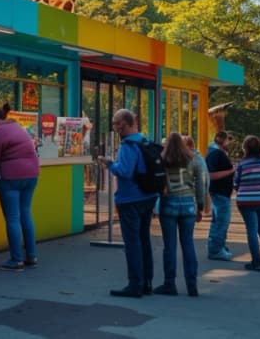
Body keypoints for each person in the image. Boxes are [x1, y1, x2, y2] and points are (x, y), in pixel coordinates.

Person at [98, 109, 158, 298]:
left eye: (117, 123)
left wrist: (109, 164)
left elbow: (124, 171)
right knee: (144, 239)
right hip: (148, 196)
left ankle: (135, 284)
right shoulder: (144, 140)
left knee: (132, 243)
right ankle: (147, 282)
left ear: (125, 123)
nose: (115, 127)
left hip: (130, 198)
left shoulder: (127, 145)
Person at [0, 102, 40, 271]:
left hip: (11, 178)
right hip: (32, 174)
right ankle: (31, 256)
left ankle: (16, 260)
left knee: (12, 218)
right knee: (25, 213)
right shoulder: (19, 128)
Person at [153, 132, 207, 296]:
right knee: (188, 244)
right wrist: (200, 206)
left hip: (169, 204)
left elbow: (157, 181)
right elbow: (200, 183)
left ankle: (170, 284)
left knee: (169, 246)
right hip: (188, 204)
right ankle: (192, 285)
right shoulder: (193, 159)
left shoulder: (162, 160)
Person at [234, 135, 260, 271]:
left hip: (246, 201)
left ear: (245, 148)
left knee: (251, 230)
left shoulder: (242, 164)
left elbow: (236, 183)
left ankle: (256, 261)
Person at [205, 130, 236, 261]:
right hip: (220, 192)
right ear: (222, 139)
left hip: (219, 192)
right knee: (222, 221)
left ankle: (218, 246)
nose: (228, 143)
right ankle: (216, 249)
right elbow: (211, 175)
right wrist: (231, 171)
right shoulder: (216, 154)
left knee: (218, 220)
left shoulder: (214, 152)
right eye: (227, 140)